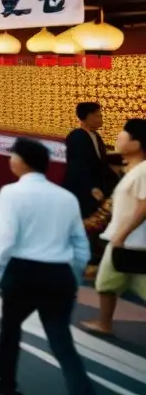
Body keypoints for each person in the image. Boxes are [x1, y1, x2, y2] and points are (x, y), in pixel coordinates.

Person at [0, 137, 93, 394]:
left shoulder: (11, 192)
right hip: (60, 274)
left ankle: (6, 382)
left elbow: (6, 236)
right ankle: (82, 390)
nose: (10, 161)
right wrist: (73, 276)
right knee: (60, 339)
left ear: (20, 162)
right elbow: (80, 243)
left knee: (10, 328)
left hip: (24, 272)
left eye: (12, 156)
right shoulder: (66, 197)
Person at [82, 118, 146, 337]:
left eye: (124, 134)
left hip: (132, 242)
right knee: (108, 283)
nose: (118, 137)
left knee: (109, 282)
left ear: (137, 144)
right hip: (126, 241)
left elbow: (144, 205)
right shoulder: (133, 170)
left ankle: (104, 323)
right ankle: (104, 323)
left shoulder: (144, 171)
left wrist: (122, 234)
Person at [63, 102, 119, 271]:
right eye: (97, 115)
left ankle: (91, 257)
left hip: (96, 187)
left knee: (94, 223)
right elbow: (78, 166)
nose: (101, 118)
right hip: (82, 189)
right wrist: (91, 187)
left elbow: (100, 164)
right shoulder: (77, 137)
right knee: (85, 222)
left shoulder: (96, 136)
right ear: (86, 117)